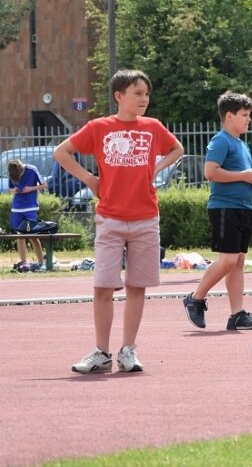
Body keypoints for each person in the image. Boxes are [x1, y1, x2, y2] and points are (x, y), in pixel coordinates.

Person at [54, 69, 184, 374]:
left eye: (147, 94)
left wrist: (156, 168)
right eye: (138, 93)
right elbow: (62, 152)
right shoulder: (99, 127)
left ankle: (128, 351)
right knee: (103, 287)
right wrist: (88, 178)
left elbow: (178, 148)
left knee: (137, 286)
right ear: (119, 96)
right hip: (110, 219)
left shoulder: (152, 127)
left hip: (145, 219)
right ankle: (101, 352)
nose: (144, 99)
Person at [183, 91, 252, 331]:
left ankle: (237, 314)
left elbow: (240, 174)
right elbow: (210, 172)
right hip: (224, 208)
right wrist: (242, 176)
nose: (248, 120)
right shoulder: (221, 140)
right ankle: (195, 298)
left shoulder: (241, 144)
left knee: (238, 261)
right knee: (228, 260)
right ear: (229, 116)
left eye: (249, 115)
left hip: (243, 208)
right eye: (244, 115)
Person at [7, 159, 47, 271]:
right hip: (16, 208)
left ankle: (41, 262)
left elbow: (44, 185)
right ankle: (24, 262)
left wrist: (31, 188)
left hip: (30, 207)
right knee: (19, 235)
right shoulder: (11, 172)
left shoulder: (32, 169)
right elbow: (9, 189)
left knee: (32, 235)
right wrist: (13, 190)